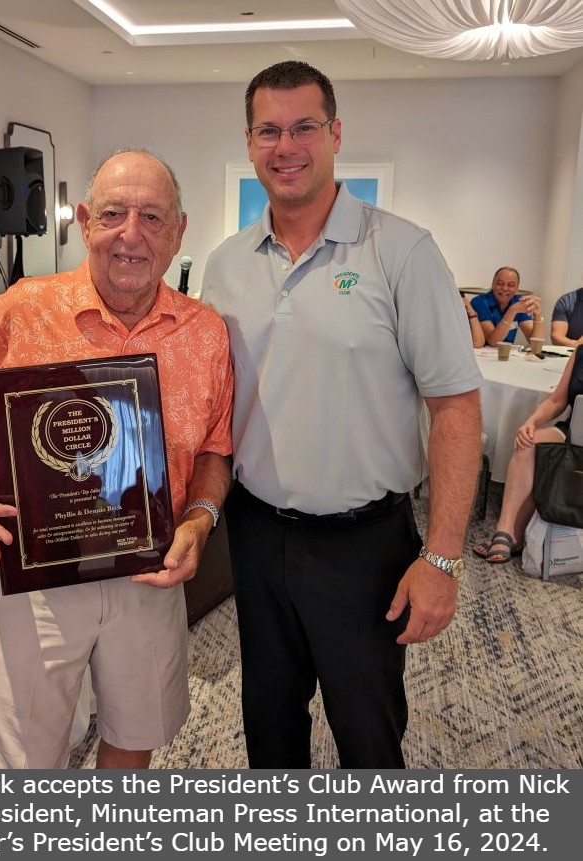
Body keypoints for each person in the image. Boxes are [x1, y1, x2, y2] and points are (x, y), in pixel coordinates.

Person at [201, 60, 482, 769]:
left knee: (367, 732)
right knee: (268, 723)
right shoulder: (225, 264)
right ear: (248, 139)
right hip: (257, 536)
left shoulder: (402, 251)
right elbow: (211, 403)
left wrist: (442, 558)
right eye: (269, 130)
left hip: (365, 547)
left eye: (304, 128)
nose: (285, 146)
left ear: (335, 134)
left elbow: (455, 407)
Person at [0, 149, 233, 769]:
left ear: (180, 232)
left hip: (148, 568)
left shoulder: (206, 332)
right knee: (23, 756)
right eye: (113, 213)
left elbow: (215, 446)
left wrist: (199, 521)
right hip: (36, 577)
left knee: (134, 732)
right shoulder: (23, 308)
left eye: (153, 218)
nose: (132, 235)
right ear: (83, 221)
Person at [473, 345, 583, 562]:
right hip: (575, 431)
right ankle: (508, 532)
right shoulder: (579, 353)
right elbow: (557, 400)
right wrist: (531, 422)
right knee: (528, 443)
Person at [470, 267, 543, 347]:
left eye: (511, 285)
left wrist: (538, 316)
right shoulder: (479, 302)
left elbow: (535, 343)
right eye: (500, 283)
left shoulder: (517, 302)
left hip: (507, 355)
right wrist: (512, 311)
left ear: (517, 288)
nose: (505, 288)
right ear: (493, 284)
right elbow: (493, 342)